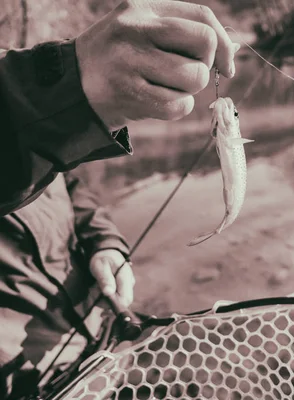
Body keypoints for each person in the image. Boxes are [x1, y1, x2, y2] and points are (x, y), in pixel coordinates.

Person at [0, 1, 238, 398]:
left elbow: (69, 188)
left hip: (103, 338)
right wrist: (68, 82)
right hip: (24, 378)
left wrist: (104, 242)